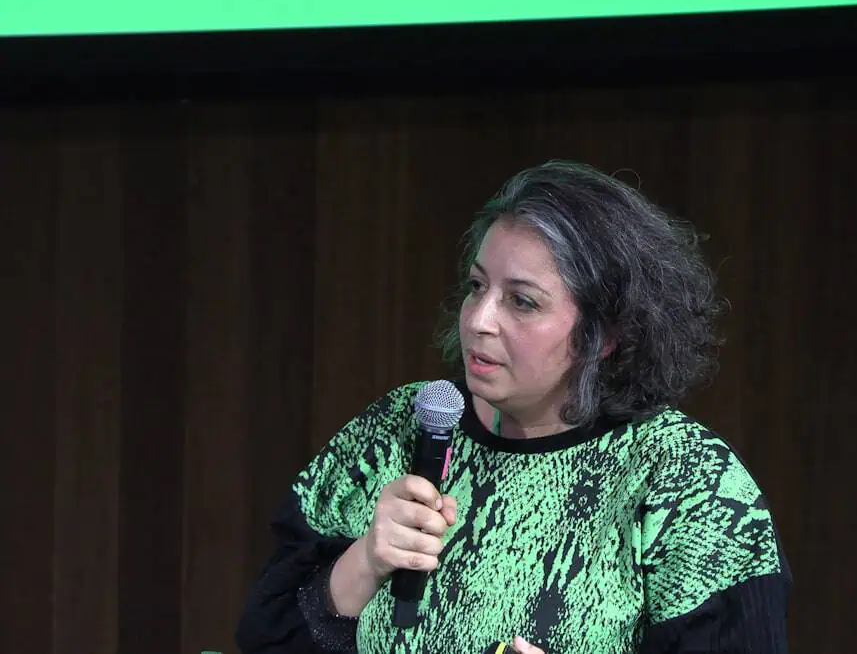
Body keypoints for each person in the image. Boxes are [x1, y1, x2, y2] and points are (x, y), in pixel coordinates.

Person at [235, 160, 792, 654]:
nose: (479, 320)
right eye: (477, 287)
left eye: (522, 302)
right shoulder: (402, 426)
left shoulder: (686, 477)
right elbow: (265, 636)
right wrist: (365, 561)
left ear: (606, 335)